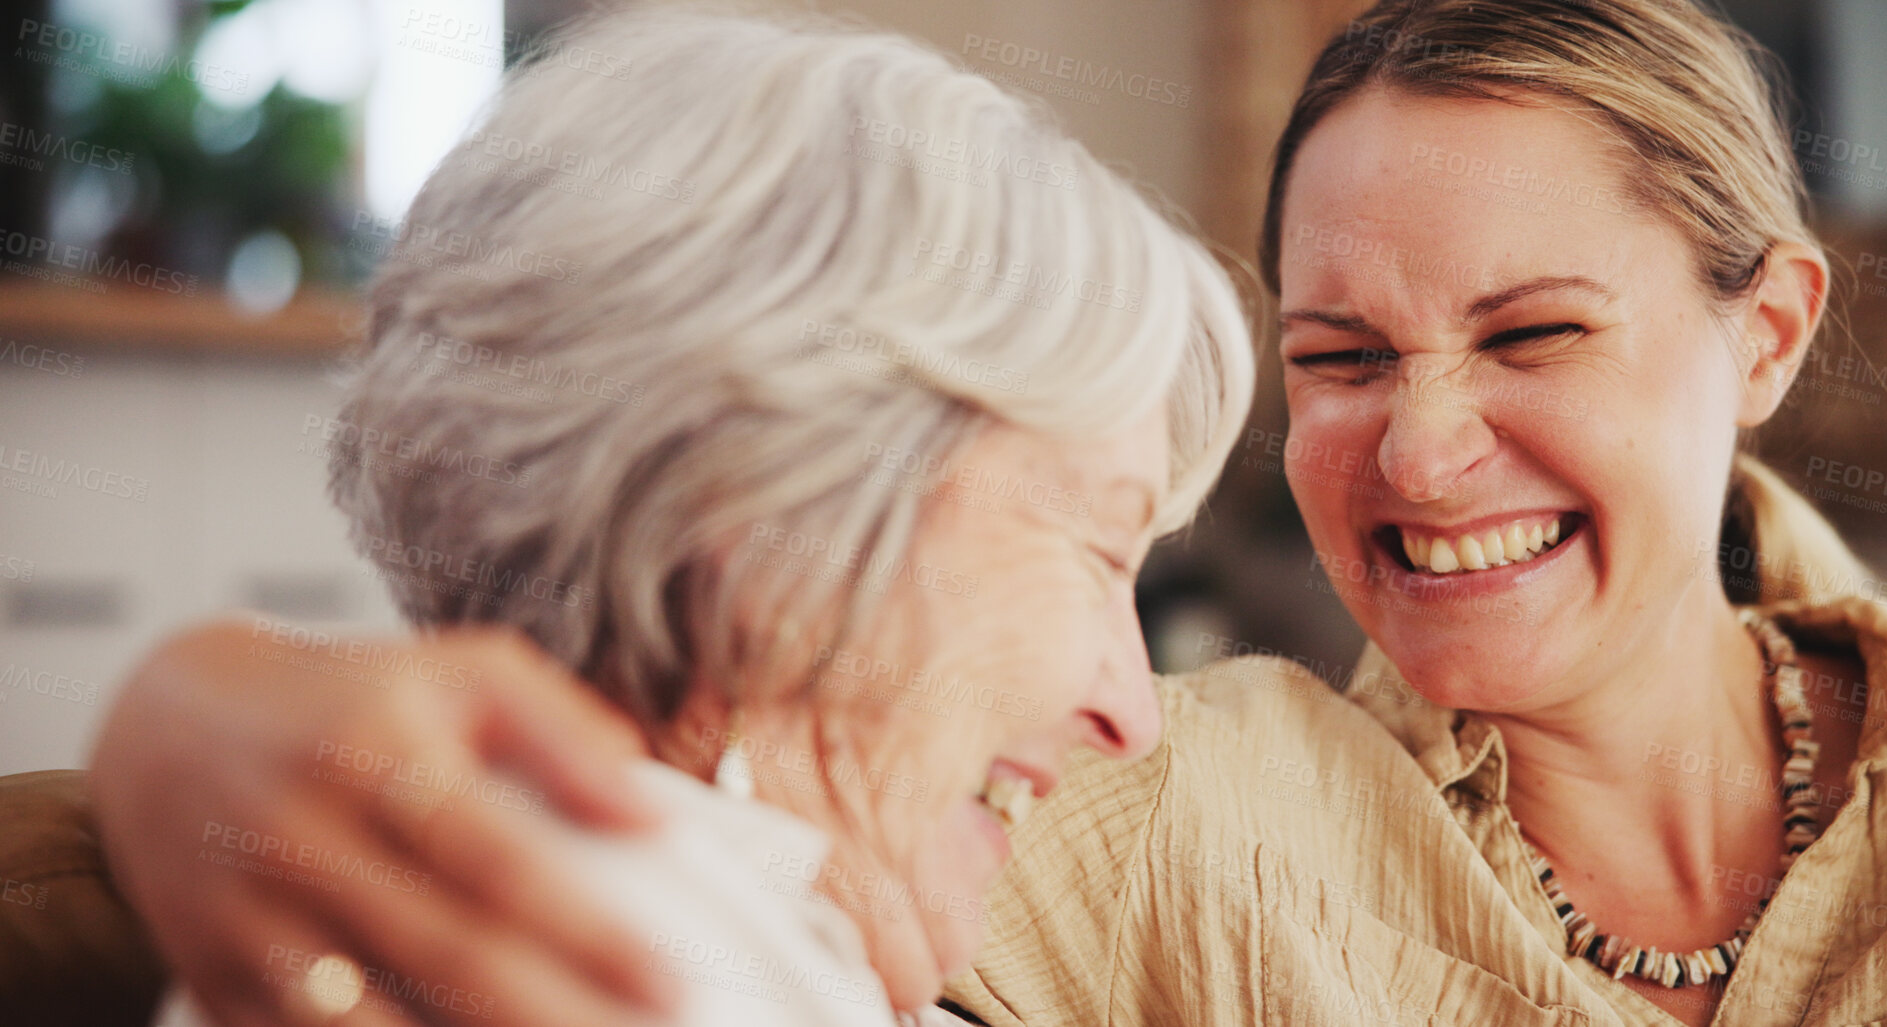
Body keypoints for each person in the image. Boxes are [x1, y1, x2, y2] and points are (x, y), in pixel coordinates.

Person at [7, 0, 1887, 1024]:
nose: (1420, 455)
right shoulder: (1163, 809)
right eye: (1336, 357)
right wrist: (203, 716)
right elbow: (550, 776)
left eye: (1528, 332)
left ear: (1763, 332)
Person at [3, 5, 1257, 1025]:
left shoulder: (719, 902)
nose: (1134, 713)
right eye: (1098, 548)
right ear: (776, 514)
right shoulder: (621, 952)